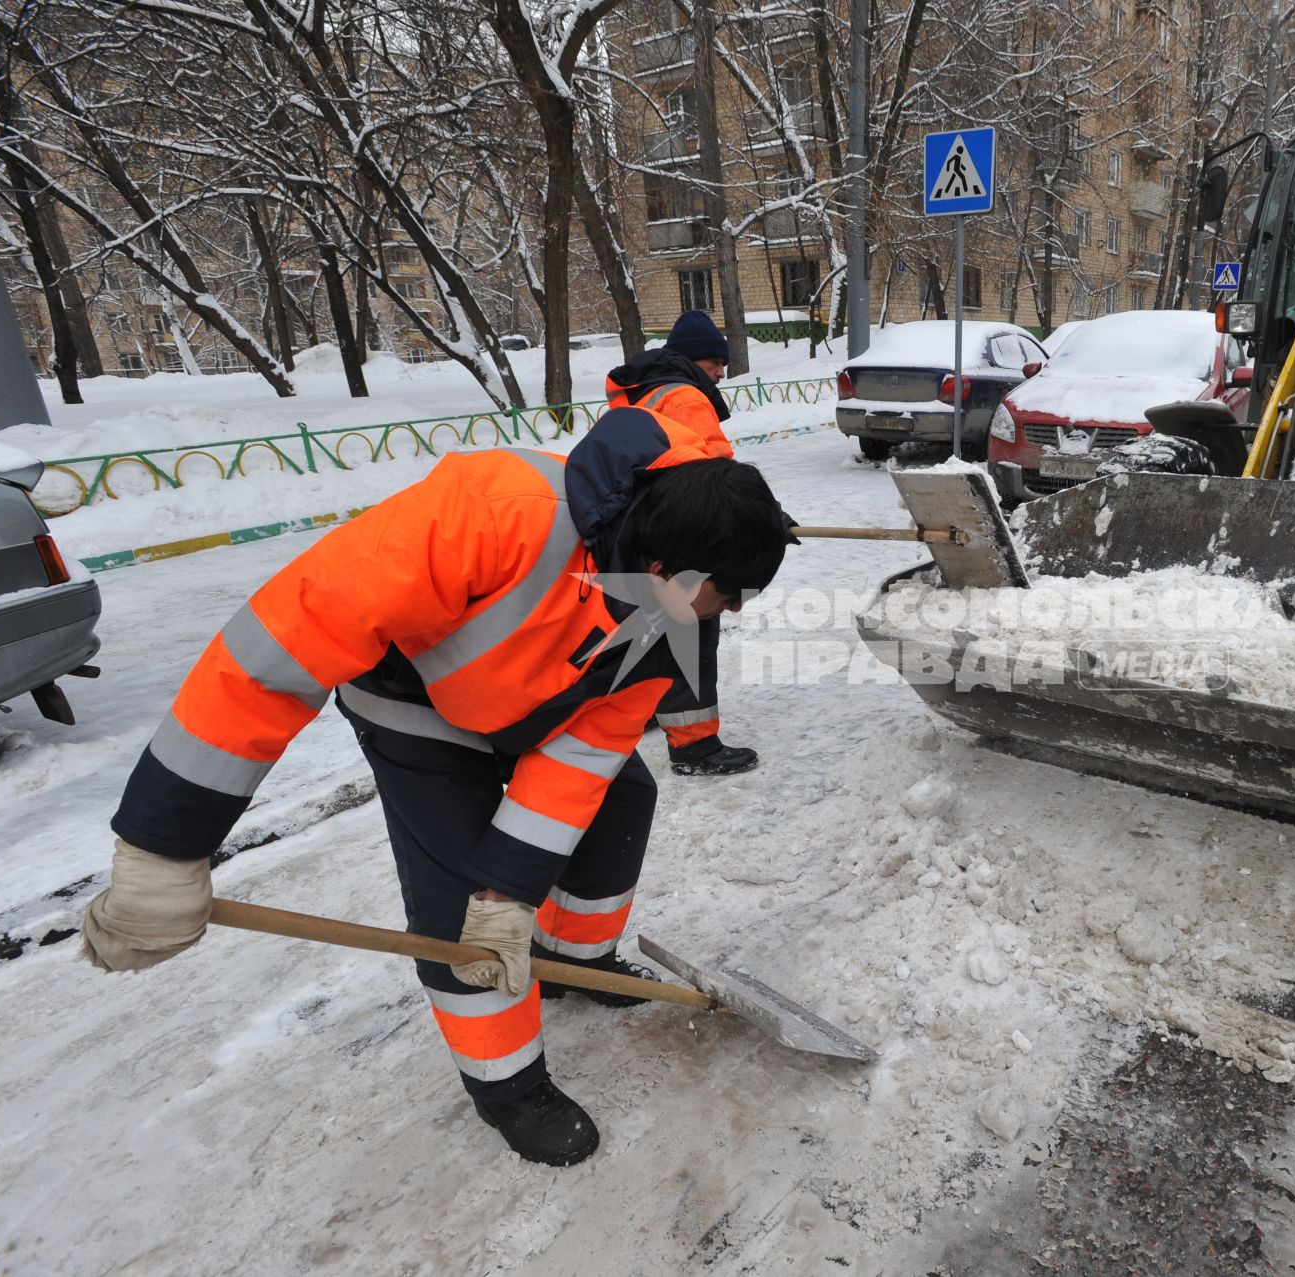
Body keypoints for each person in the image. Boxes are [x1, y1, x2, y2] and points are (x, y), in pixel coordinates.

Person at [79, 402, 794, 1167]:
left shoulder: (671, 620)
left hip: (537, 705)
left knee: (622, 798)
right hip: (414, 701)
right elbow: (272, 655)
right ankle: (508, 1084)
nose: (734, 611)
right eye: (731, 593)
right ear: (667, 569)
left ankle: (573, 959)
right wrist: (162, 847)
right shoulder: (490, 513)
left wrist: (510, 894)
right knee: (456, 908)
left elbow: (582, 757)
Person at [605, 310, 759, 778]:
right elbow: (715, 472)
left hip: (638, 530)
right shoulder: (687, 396)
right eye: (717, 363)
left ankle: (654, 707)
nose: (722, 374)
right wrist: (762, 516)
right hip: (681, 534)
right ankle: (696, 747)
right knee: (692, 630)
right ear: (697, 360)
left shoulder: (639, 393)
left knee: (654, 630)